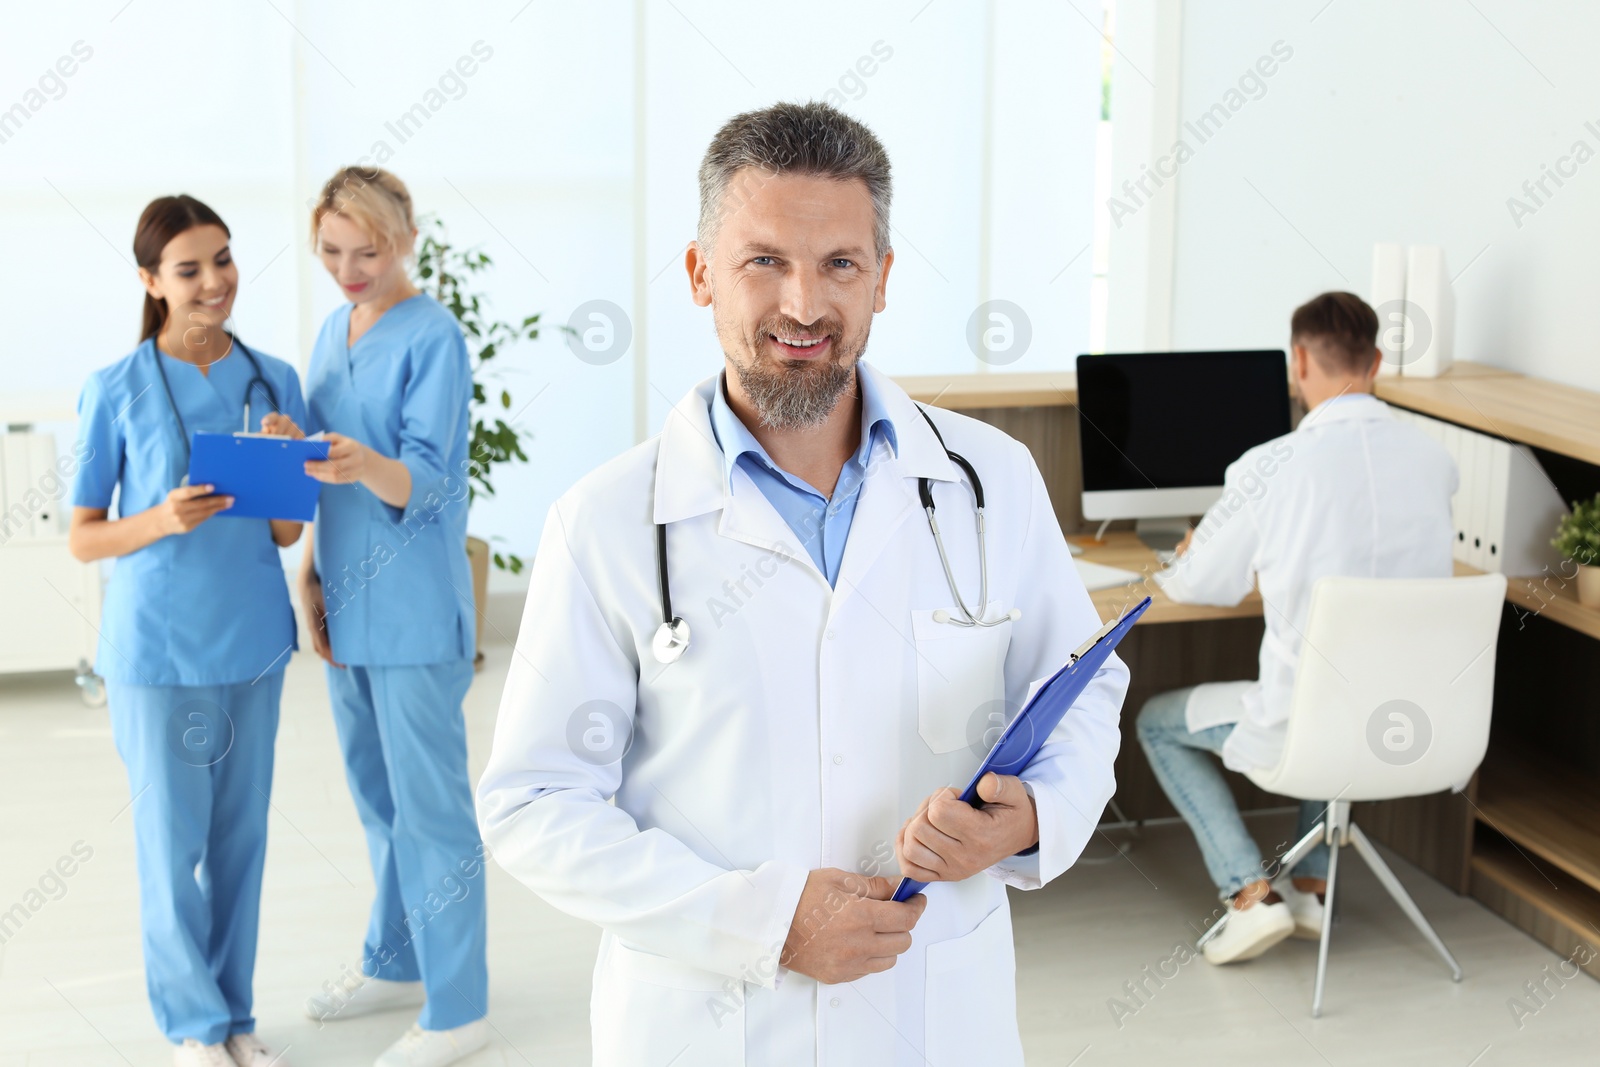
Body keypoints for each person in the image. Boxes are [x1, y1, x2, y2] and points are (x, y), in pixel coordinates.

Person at [475, 101, 1128, 1065]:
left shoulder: (990, 482)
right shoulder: (607, 523)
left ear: (884, 279)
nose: (804, 306)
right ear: (701, 275)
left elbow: (1081, 687)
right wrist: (766, 923)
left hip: (936, 1007)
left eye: (840, 265)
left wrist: (1037, 815)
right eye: (765, 261)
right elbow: (534, 800)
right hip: (710, 1022)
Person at [1138, 291, 1457, 965]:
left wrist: (1194, 549)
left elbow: (1201, 588)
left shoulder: (1270, 467)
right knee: (1348, 679)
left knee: (1154, 721)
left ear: (1300, 360)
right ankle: (1312, 886)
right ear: (1375, 360)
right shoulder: (1436, 462)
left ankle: (1249, 896)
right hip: (1411, 726)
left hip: (1308, 725)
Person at [68, 196, 304, 1067]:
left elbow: (284, 532)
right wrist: (162, 519)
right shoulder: (116, 387)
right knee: (171, 848)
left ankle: (235, 1014)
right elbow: (85, 532)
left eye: (224, 259)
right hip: (158, 654)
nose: (214, 282)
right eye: (189, 268)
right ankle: (193, 1030)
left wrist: (287, 455)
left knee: (241, 840)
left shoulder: (275, 378)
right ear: (150, 281)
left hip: (253, 643)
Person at [261, 166, 486, 1067]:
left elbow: (431, 479)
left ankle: (459, 1008)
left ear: (405, 240)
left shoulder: (435, 338)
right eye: (331, 252)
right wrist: (309, 569)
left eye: (369, 251)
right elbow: (326, 462)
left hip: (414, 606)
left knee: (433, 813)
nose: (350, 269)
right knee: (379, 800)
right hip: (344, 602)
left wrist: (363, 464)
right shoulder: (331, 328)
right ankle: (395, 960)